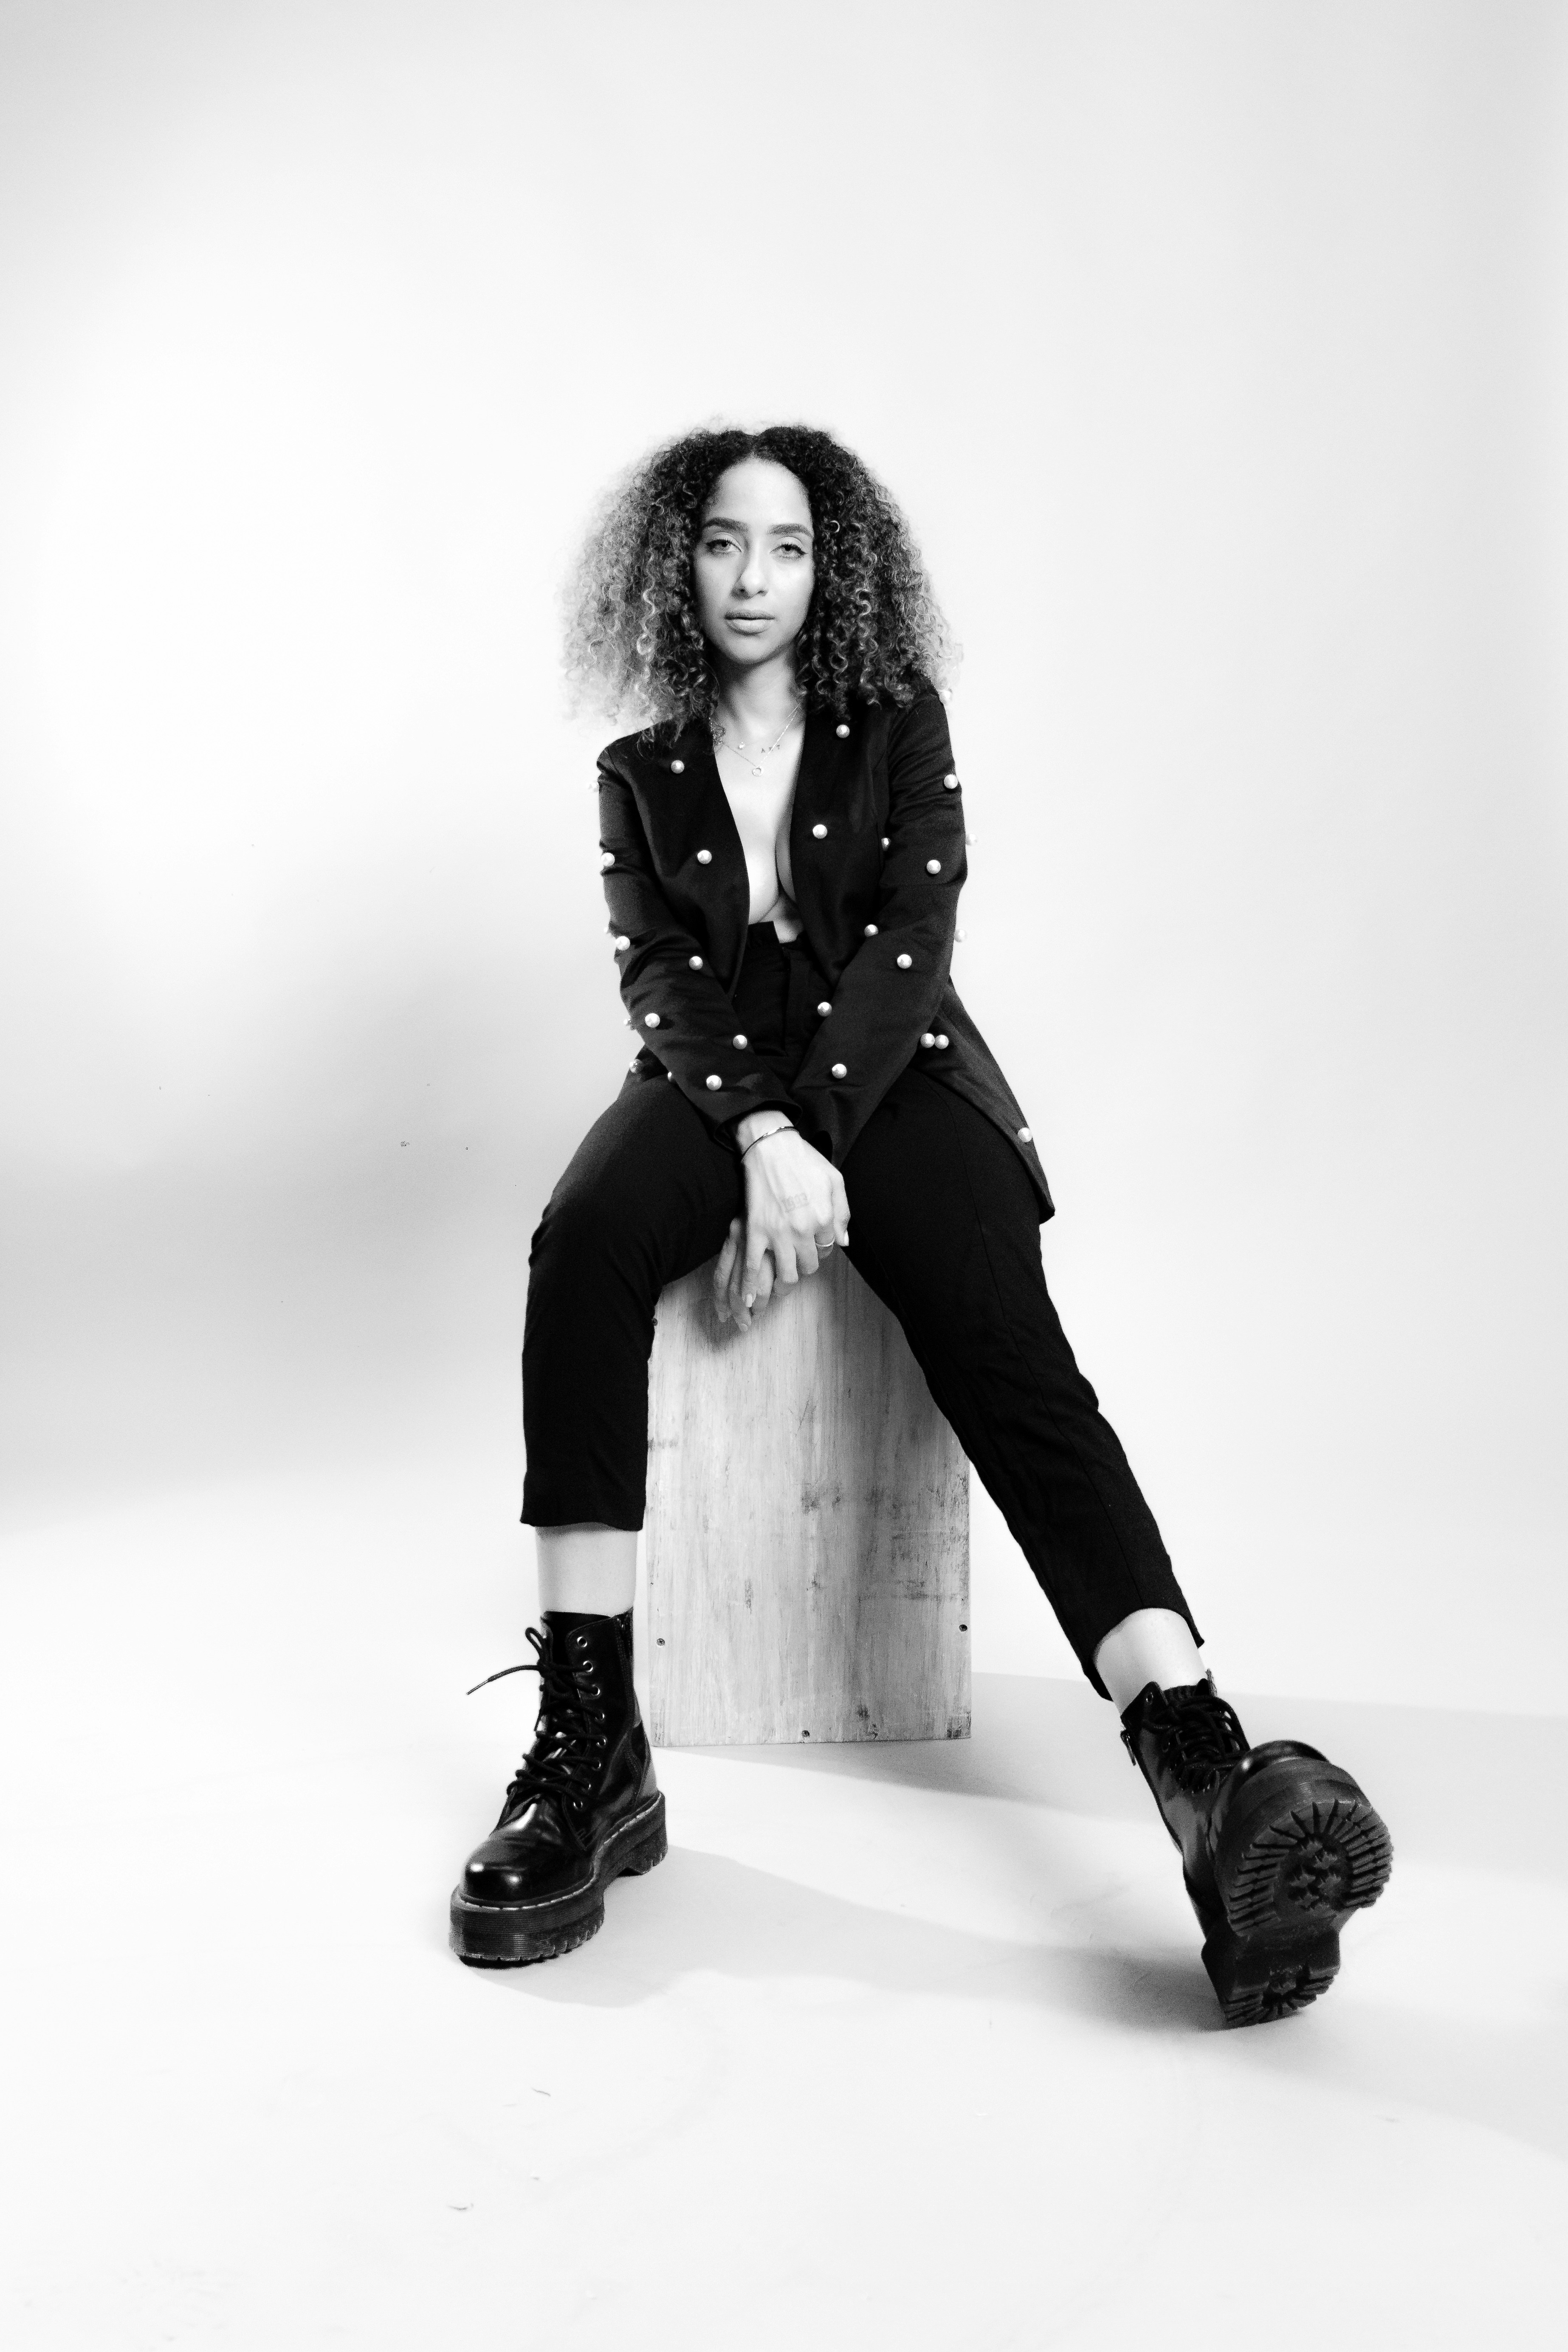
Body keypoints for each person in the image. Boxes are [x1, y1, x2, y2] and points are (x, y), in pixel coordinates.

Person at [448, 424, 1392, 2027]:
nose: (755, 577)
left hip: (898, 1072)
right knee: (581, 1242)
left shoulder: (897, 724)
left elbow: (913, 932)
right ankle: (593, 1741)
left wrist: (810, 1141)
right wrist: (755, 1129)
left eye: (790, 547)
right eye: (725, 543)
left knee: (1002, 1338)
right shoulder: (638, 771)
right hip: (715, 1083)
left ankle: (1204, 1769)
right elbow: (661, 976)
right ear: (672, 563)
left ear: (838, 570)